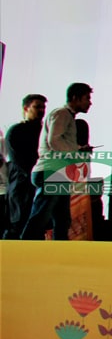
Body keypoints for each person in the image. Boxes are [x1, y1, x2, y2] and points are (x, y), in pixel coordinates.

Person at [21, 83, 92, 240]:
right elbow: (54, 140)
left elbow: (58, 141)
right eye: (87, 98)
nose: (90, 103)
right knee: (41, 217)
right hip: (51, 171)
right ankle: (24, 248)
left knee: (62, 219)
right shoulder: (62, 114)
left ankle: (58, 250)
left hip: (57, 173)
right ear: (75, 98)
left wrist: (78, 149)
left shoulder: (66, 116)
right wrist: (75, 154)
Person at [5, 93, 45, 238]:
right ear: (26, 108)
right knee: (18, 226)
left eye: (43, 107)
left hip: (37, 185)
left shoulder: (43, 132)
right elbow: (19, 162)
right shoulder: (16, 131)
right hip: (22, 187)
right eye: (37, 107)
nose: (41, 110)